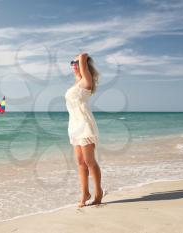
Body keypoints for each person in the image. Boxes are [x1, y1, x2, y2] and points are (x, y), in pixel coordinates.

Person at [65, 53, 103, 207]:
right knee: (80, 162)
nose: (73, 64)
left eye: (76, 62)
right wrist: (78, 63)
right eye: (71, 62)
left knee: (89, 161)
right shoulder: (77, 83)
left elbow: (83, 55)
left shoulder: (87, 81)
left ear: (83, 64)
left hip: (85, 124)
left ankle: (98, 191)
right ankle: (85, 193)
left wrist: (81, 59)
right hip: (74, 125)